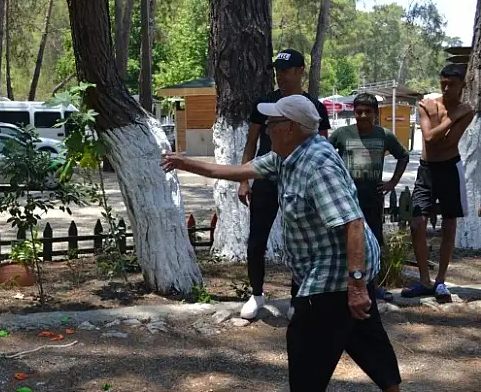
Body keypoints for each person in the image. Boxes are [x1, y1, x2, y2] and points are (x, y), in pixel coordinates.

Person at [161, 95, 401, 391]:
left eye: (272, 123)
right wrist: (185, 163)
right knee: (365, 337)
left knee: (306, 352)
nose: (266, 129)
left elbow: (352, 222)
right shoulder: (285, 155)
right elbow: (238, 171)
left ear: (291, 128)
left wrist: (356, 285)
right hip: (325, 270)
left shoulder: (318, 165)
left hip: (333, 275)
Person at [238, 48, 331, 319]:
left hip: (299, 181)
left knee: (300, 241)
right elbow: (251, 144)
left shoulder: (315, 107)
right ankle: (256, 294)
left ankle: (297, 297)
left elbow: (322, 147)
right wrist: (244, 180)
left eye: (287, 70)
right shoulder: (264, 103)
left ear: (301, 70)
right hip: (267, 177)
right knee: (256, 241)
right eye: (278, 71)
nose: (281, 76)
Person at [402, 64, 473, 303]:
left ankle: (441, 281)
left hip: (450, 168)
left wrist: (444, 126)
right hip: (426, 170)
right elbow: (431, 140)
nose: (446, 87)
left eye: (452, 84)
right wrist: (452, 117)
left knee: (449, 223)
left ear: (463, 85)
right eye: (443, 82)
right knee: (417, 221)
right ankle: (424, 280)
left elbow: (451, 142)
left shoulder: (468, 112)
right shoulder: (428, 104)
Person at [329, 93, 410, 301]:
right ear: (354, 112)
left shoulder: (384, 135)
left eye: (368, 112)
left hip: (373, 199)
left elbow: (403, 156)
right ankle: (345, 285)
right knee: (346, 242)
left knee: (373, 241)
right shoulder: (342, 135)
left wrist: (392, 183)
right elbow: (326, 156)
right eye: (359, 111)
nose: (363, 115)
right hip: (347, 200)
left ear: (375, 113)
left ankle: (372, 287)